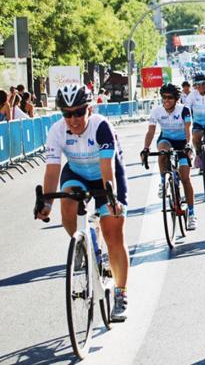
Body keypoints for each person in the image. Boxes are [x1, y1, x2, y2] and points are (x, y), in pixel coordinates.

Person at [34, 84, 130, 320]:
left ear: (90, 108)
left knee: (113, 232)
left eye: (79, 112)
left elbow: (107, 169)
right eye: (67, 113)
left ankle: (121, 292)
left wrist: (112, 199)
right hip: (76, 174)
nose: (73, 119)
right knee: (67, 203)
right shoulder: (57, 131)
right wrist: (46, 203)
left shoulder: (101, 127)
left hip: (106, 176)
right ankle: (87, 247)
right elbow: (52, 171)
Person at [141, 83, 197, 230]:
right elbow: (151, 132)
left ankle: (191, 214)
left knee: (185, 178)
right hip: (166, 139)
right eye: (164, 97)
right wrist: (146, 148)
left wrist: (189, 144)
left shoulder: (184, 110)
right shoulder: (157, 111)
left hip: (182, 142)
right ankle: (162, 181)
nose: (166, 100)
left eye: (170, 98)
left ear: (176, 99)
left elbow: (188, 129)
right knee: (163, 152)